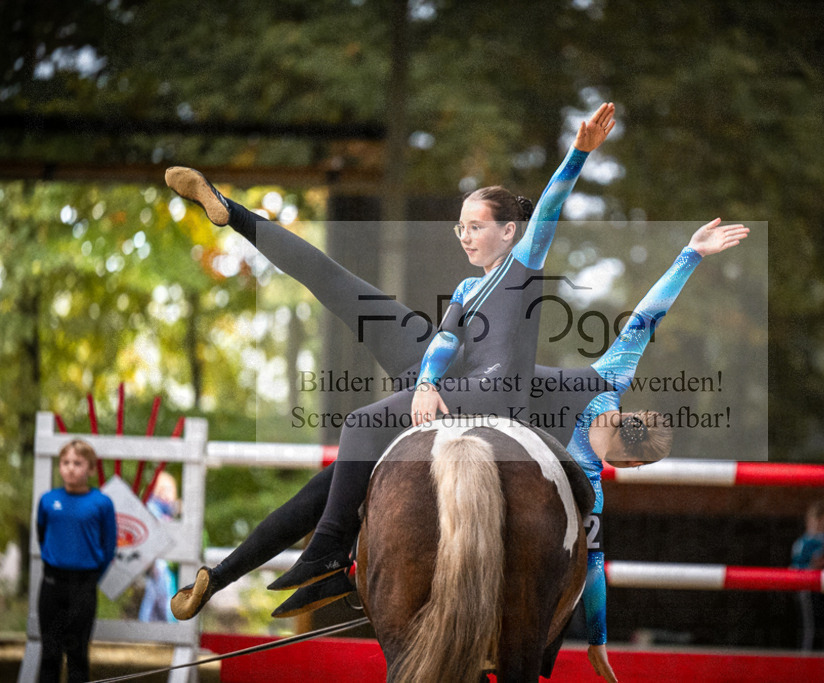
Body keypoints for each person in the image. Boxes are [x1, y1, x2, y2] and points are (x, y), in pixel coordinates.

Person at [169, 102, 618, 617]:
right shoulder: (470, 287)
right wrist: (428, 382)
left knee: (361, 422)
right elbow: (446, 341)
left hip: (488, 389)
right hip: (452, 370)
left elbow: (549, 208)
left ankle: (331, 552)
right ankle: (222, 575)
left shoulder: (522, 264)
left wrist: (577, 155)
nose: (464, 236)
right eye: (460, 228)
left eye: (475, 226)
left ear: (510, 231)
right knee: (337, 291)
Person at [562, 217, 748, 681]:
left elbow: (647, 315)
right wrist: (598, 642)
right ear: (636, 462)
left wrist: (691, 253)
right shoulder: (592, 489)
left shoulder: (612, 377)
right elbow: (593, 571)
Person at [35, 439, 118, 683]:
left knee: (78, 653)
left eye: (78, 463)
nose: (71, 468)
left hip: (83, 585)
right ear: (60, 466)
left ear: (91, 469)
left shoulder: (101, 503)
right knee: (50, 653)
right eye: (65, 463)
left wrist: (89, 576)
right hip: (51, 584)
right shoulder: (48, 500)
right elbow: (42, 535)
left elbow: (108, 546)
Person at [790, 501, 824, 651]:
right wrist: (813, 566)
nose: (819, 526)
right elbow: (796, 566)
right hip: (807, 588)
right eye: (816, 521)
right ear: (809, 522)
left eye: (823, 522)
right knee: (809, 625)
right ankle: (807, 654)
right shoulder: (802, 543)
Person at [138, 471, 179, 622]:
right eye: (165, 489)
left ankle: (155, 623)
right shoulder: (154, 509)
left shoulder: (165, 511)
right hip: (158, 562)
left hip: (163, 562)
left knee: (157, 595)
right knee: (162, 594)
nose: (168, 494)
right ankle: (167, 623)